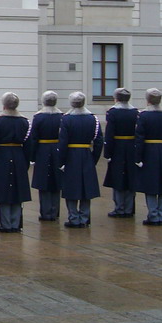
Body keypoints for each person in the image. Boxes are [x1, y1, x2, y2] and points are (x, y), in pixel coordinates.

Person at [0, 92, 31, 233]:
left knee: (2, 191)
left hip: (2, 156)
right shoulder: (24, 121)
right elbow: (28, 145)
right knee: (17, 192)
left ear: (4, 105)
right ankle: (15, 223)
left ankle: (6, 223)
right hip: (18, 155)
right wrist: (26, 162)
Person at [57, 91, 103, 228]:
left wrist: (61, 161)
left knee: (71, 188)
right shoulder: (93, 119)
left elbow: (63, 142)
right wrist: (93, 158)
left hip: (71, 155)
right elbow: (99, 141)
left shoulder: (66, 119)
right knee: (86, 188)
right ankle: (84, 217)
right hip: (86, 154)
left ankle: (73, 217)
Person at [133, 89, 162, 225]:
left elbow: (139, 138)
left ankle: (153, 214)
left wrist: (138, 157)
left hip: (149, 152)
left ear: (148, 100)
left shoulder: (143, 116)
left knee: (150, 185)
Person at [103, 88, 139, 218]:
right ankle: (129, 208)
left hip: (118, 147)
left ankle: (119, 207)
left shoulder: (113, 113)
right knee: (130, 177)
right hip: (131, 147)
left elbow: (109, 134)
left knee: (118, 178)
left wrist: (108, 153)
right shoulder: (135, 112)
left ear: (116, 98)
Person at [29, 91, 63, 221]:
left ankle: (46, 212)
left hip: (43, 150)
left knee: (44, 182)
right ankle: (55, 211)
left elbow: (34, 138)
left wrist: (32, 156)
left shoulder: (39, 117)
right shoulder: (62, 116)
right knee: (56, 181)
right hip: (57, 149)